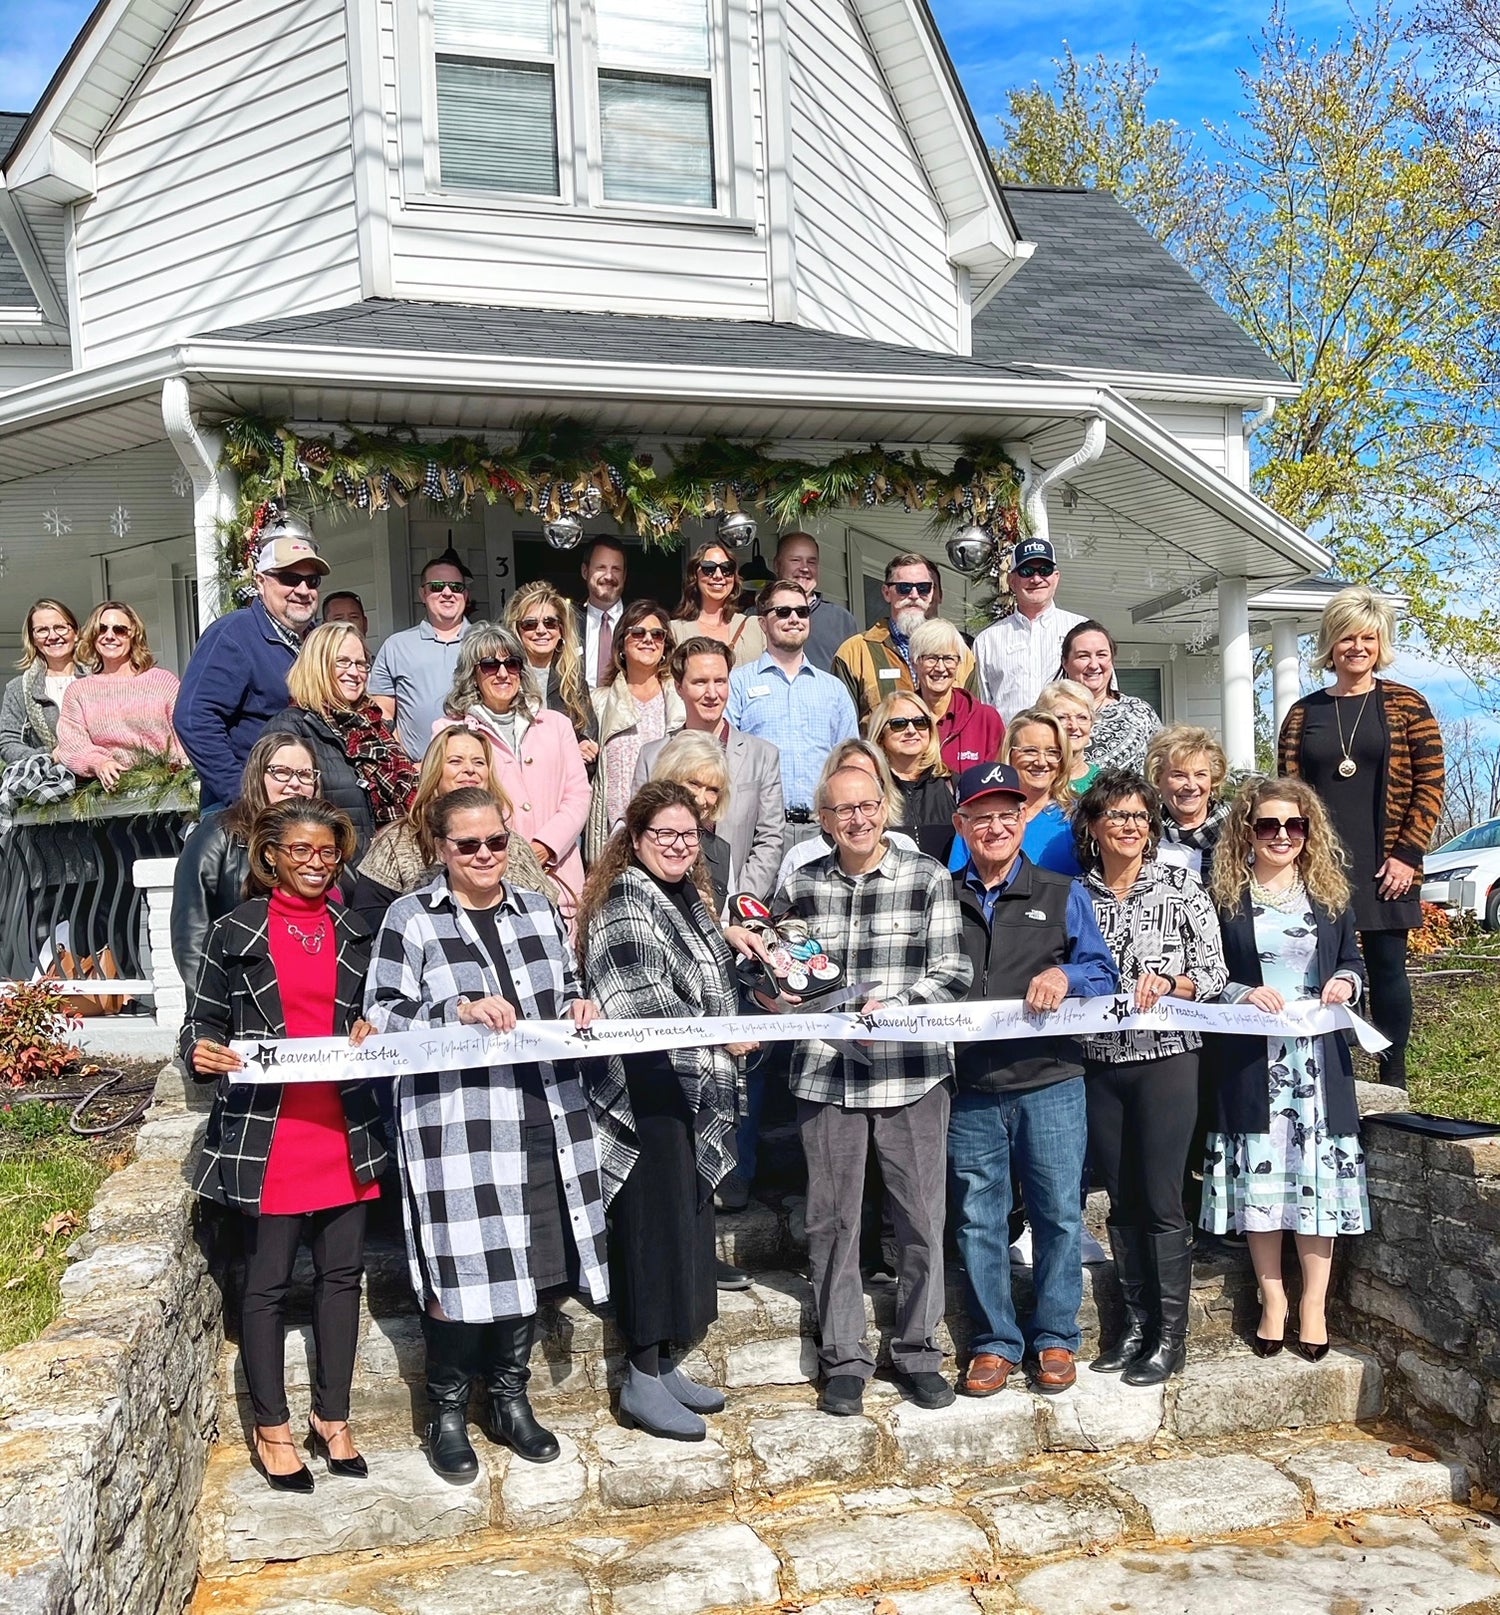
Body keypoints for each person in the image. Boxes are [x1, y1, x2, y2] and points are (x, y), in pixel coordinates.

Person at [365, 787, 610, 1476]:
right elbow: (379, 1014)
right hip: (457, 1122)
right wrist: (457, 1010)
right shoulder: (409, 918)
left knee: (525, 1262)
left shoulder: (537, 910)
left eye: (496, 842)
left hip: (541, 1110)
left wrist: (578, 1003)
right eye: (466, 844)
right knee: (459, 1268)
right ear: (440, 848)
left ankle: (510, 1399)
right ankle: (446, 1411)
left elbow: (563, 988)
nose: (483, 855)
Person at [182, 798, 386, 1491]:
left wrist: (372, 1027)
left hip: (343, 1128)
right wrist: (202, 1051)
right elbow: (202, 1020)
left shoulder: (358, 930)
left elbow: (383, 1010)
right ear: (270, 855)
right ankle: (271, 1427)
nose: (314, 863)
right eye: (299, 850)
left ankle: (333, 1416)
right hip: (268, 1135)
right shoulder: (234, 929)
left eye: (326, 851)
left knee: (341, 1279)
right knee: (266, 1286)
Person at [775, 765, 971, 1417]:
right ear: (825, 819)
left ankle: (917, 1350)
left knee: (920, 1218)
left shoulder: (927, 878)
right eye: (842, 810)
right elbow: (782, 975)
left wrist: (897, 1004)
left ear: (885, 808)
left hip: (911, 1072)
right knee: (832, 1224)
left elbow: (952, 970)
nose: (857, 819)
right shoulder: (800, 886)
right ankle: (844, 1358)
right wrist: (771, 989)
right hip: (827, 1075)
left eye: (867, 806)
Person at [579, 781, 753, 1440]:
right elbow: (638, 999)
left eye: (688, 835)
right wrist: (718, 1033)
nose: (679, 845)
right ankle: (640, 1377)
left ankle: (668, 1360)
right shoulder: (627, 896)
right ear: (637, 837)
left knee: (683, 1225)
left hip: (686, 1086)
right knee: (651, 1233)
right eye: (664, 835)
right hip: (645, 1090)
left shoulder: (689, 899)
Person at [946, 763, 1119, 1397]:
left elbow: (1102, 973)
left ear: (1024, 821)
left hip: (1050, 1081)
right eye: (981, 816)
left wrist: (1067, 978)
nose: (995, 826)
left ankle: (1054, 1337)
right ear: (962, 825)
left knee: (1058, 1216)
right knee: (976, 1219)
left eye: (1007, 814)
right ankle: (993, 1342)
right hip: (968, 1087)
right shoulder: (941, 895)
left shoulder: (1060, 890)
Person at [1201, 776, 1369, 1361]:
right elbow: (1204, 974)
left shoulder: (1329, 895)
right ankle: (1273, 1298)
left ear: (1308, 831)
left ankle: (1314, 1304)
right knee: (1263, 1188)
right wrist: (1241, 992)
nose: (1281, 835)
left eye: (1293, 825)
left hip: (1318, 1067)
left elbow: (1352, 962)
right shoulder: (1222, 898)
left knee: (1316, 1187)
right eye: (1268, 824)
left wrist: (1346, 981)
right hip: (1251, 1064)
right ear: (1247, 830)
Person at [1073, 770, 1227, 1384]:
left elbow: (1213, 976)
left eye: (1139, 816)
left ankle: (1169, 1336)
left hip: (1167, 1058)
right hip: (1100, 1063)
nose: (1129, 826)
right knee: (1121, 1197)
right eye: (1116, 816)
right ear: (1093, 826)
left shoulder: (1182, 888)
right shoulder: (1073, 893)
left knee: (1161, 1197)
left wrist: (1171, 983)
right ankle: (1134, 1326)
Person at [1277, 587, 1444, 1091]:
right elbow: (1287, 793)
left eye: (1368, 638)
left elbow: (1430, 782)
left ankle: (1394, 1077)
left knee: (1387, 969)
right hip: (1320, 864)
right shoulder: (1304, 714)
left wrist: (1407, 855)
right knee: (1330, 968)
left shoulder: (1407, 704)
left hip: (1387, 861)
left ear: (1381, 643)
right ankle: (1342, 1075)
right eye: (1347, 637)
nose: (1358, 647)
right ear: (1331, 643)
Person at [175, 516, 327, 809]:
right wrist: (244, 795)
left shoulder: (318, 643)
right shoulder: (233, 635)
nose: (303, 589)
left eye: (312, 580)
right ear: (260, 581)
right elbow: (194, 718)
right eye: (290, 578)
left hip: (308, 809)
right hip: (251, 816)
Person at [348, 723, 556, 931]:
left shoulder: (512, 844)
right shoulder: (397, 840)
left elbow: (548, 914)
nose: (470, 769)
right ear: (434, 770)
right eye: (455, 761)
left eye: (479, 762)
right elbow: (369, 916)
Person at [447, 624, 589, 911]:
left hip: (560, 875)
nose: (502, 673)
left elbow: (578, 794)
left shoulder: (557, 724)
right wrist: (513, 852)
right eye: (489, 665)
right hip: (490, 876)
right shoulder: (451, 732)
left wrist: (547, 845)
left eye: (511, 663)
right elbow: (455, 807)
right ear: (471, 674)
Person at [171, 731, 322, 993]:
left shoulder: (325, 841)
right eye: (281, 772)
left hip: (306, 997)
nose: (295, 784)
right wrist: (210, 1008)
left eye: (305, 774)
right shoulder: (218, 834)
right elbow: (190, 934)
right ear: (257, 777)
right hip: (234, 996)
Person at [635, 636, 784, 899]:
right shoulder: (652, 756)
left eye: (720, 681)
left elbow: (769, 840)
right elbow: (639, 830)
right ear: (679, 687)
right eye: (700, 682)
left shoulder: (763, 755)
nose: (712, 694)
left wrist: (737, 903)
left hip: (736, 906)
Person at [729, 580, 858, 848]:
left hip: (823, 829)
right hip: (760, 831)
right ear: (763, 623)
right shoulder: (738, 683)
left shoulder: (833, 689)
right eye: (784, 612)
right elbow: (727, 758)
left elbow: (850, 762)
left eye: (802, 612)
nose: (795, 619)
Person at [267, 623, 416, 850]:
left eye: (361, 664)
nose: (355, 673)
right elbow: (282, 818)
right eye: (343, 662)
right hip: (330, 870)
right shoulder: (292, 727)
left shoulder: (375, 726)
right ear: (317, 665)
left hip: (390, 865)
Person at [588, 600, 685, 861]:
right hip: (615, 833)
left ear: (665, 646)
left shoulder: (680, 700)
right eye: (638, 633)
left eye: (657, 634)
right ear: (621, 644)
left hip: (669, 835)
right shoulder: (598, 702)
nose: (648, 640)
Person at [56, 602, 186, 788]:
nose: (110, 636)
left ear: (134, 635)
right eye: (102, 629)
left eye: (120, 630)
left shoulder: (162, 682)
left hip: (166, 788)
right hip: (109, 795)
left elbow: (185, 732)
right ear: (93, 635)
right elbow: (72, 743)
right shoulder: (79, 691)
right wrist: (100, 764)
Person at [833, 554, 977, 721]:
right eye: (904, 588)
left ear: (935, 593)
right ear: (887, 593)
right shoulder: (854, 652)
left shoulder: (961, 653)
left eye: (923, 588)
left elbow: (973, 721)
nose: (914, 595)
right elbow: (843, 731)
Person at [369, 550, 472, 761]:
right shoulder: (396, 646)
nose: (447, 592)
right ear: (422, 594)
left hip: (477, 771)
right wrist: (402, 762)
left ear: (466, 595)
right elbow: (382, 714)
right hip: (417, 773)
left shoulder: (486, 642)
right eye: (436, 586)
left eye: (456, 587)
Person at [973, 538, 1085, 722]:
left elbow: (1104, 694)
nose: (1036, 579)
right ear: (1011, 581)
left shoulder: (1081, 631)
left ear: (1056, 577)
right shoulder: (987, 641)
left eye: (1045, 570)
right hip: (1011, 747)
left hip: (1070, 745)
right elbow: (982, 708)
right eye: (1026, 571)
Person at [504, 581, 599, 765]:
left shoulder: (573, 682)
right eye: (530, 624)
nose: (541, 630)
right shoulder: (504, 678)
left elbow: (588, 744)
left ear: (561, 630)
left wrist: (584, 746)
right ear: (517, 630)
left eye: (550, 623)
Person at [1058, 621, 1160, 774]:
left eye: (1102, 655)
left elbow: (1163, 765)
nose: (1094, 664)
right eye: (1083, 656)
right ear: (1065, 662)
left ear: (1112, 660)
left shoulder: (1140, 712)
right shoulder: (1049, 714)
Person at [646, 731, 734, 909]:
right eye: (694, 784)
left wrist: (726, 929)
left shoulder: (720, 852)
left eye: (712, 790)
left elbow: (724, 920)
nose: (701, 800)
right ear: (669, 777)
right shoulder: (639, 832)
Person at [867, 691, 956, 860]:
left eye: (920, 722)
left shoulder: (952, 785)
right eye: (899, 724)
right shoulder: (872, 789)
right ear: (880, 736)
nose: (911, 730)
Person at [911, 618, 1004, 774]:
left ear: (959, 664)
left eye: (948, 659)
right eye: (931, 658)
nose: (940, 668)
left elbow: (998, 783)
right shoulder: (901, 720)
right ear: (914, 663)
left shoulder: (985, 719)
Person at [996, 708, 1081, 876]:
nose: (1041, 762)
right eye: (1030, 751)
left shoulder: (1078, 817)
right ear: (1009, 753)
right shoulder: (983, 816)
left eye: (1052, 752)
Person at [1147, 725, 1232, 881]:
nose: (1191, 786)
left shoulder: (1236, 830)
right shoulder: (1146, 836)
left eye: (1200, 775)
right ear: (1158, 779)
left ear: (1213, 779)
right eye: (1179, 775)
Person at [0, 598, 79, 765]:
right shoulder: (18, 689)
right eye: (42, 630)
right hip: (47, 783)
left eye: (60, 627)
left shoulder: (99, 678)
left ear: (75, 632)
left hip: (102, 782)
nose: (53, 636)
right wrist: (50, 757)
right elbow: (8, 743)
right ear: (33, 639)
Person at [670, 541, 765, 668]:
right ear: (694, 575)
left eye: (726, 568)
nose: (718, 576)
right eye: (708, 568)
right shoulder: (675, 630)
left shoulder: (756, 627)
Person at [775, 531, 857, 672]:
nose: (805, 568)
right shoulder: (759, 615)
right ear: (777, 565)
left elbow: (854, 674)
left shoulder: (841, 619)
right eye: (796, 560)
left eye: (811, 562)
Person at [580, 538, 628, 691]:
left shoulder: (638, 622)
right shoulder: (568, 621)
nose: (608, 576)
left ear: (624, 575)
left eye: (616, 569)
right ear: (585, 571)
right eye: (601, 567)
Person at [1035, 680, 1099, 794]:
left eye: (1082, 717)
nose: (1073, 726)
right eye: (1062, 718)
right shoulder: (1032, 781)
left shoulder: (1105, 783)